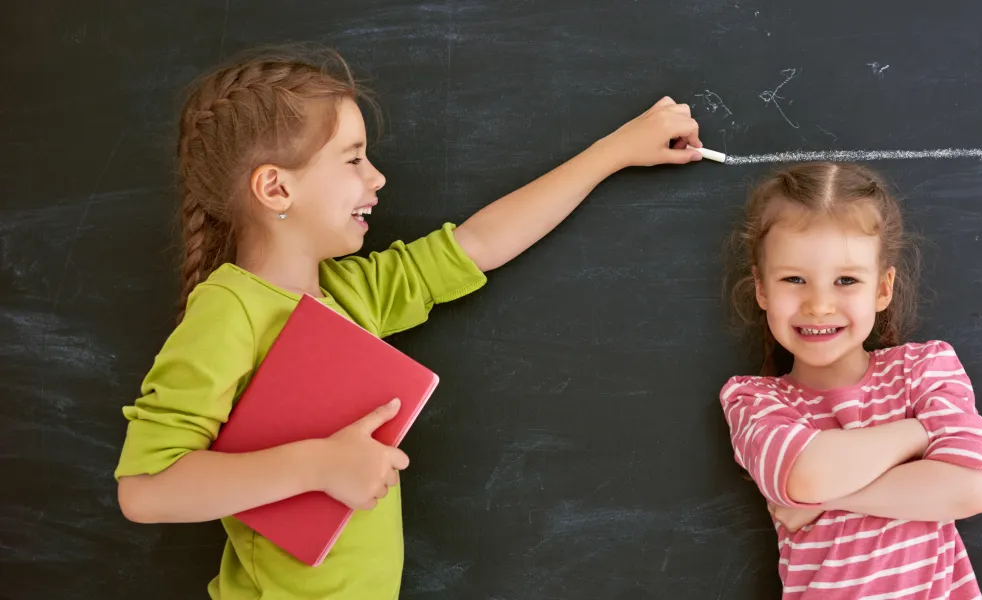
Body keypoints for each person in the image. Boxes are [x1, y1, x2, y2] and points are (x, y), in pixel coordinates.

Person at [113, 45, 706, 599]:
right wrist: (318, 465)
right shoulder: (230, 310)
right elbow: (145, 490)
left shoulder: (351, 297)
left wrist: (616, 151)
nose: (377, 177)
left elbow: (477, 244)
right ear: (275, 186)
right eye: (353, 159)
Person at [719, 162, 982, 598]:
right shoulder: (754, 399)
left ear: (882, 289)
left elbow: (973, 488)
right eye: (794, 279)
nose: (818, 305)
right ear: (761, 289)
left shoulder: (924, 368)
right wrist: (920, 432)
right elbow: (805, 475)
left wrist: (829, 501)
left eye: (846, 280)